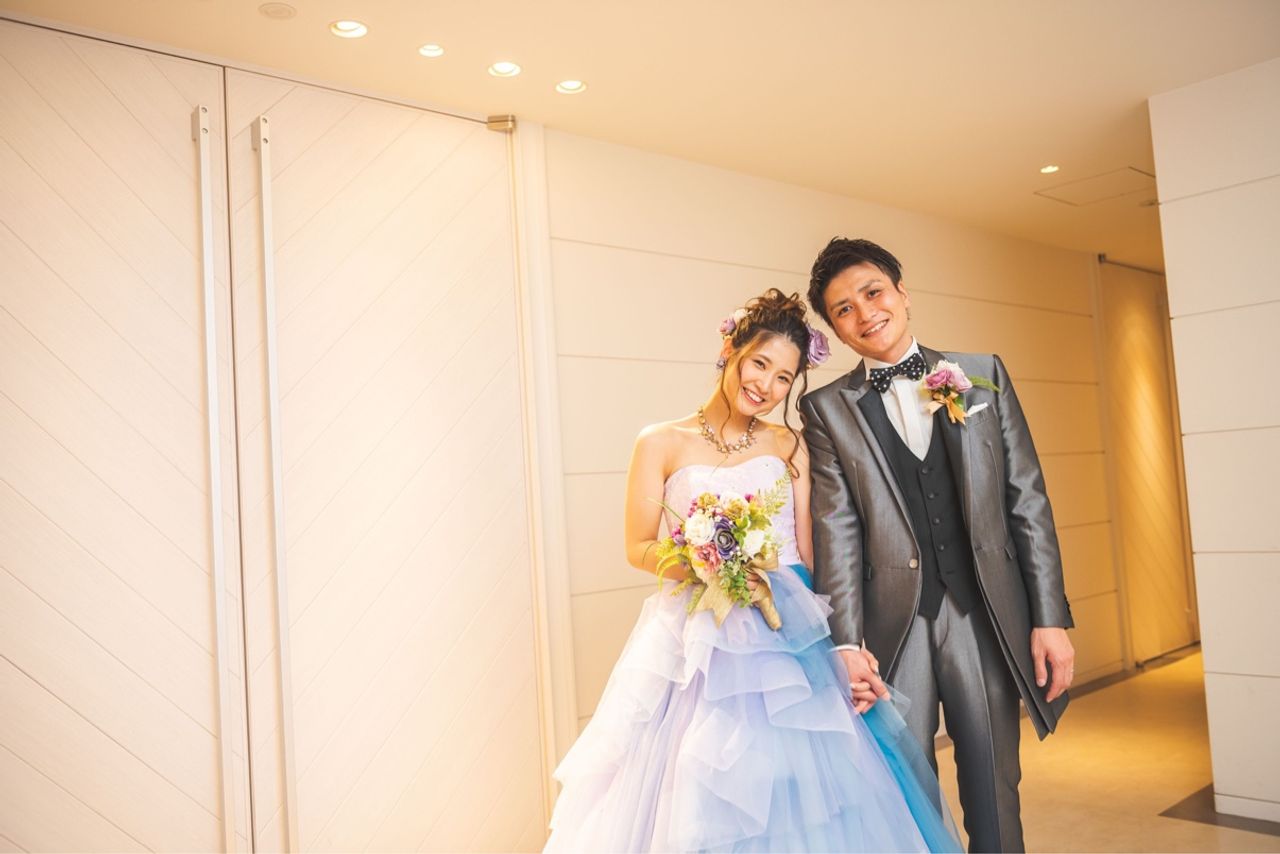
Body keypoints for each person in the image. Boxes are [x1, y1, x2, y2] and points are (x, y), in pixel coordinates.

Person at [545, 289, 960, 852]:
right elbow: (638, 547)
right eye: (760, 364)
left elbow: (813, 554)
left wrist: (848, 643)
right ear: (730, 350)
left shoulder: (791, 445)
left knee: (809, 788)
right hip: (697, 637)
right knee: (696, 779)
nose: (766, 385)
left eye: (784, 378)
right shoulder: (660, 442)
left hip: (789, 631)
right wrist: (706, 559)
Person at [800, 238, 1077, 853]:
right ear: (836, 330)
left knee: (995, 787)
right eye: (844, 309)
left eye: (873, 292)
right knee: (905, 793)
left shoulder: (983, 376)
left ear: (902, 293)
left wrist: (1050, 618)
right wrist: (845, 641)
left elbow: (1027, 501)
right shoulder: (825, 409)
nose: (865, 313)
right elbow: (837, 528)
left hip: (983, 615)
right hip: (891, 627)